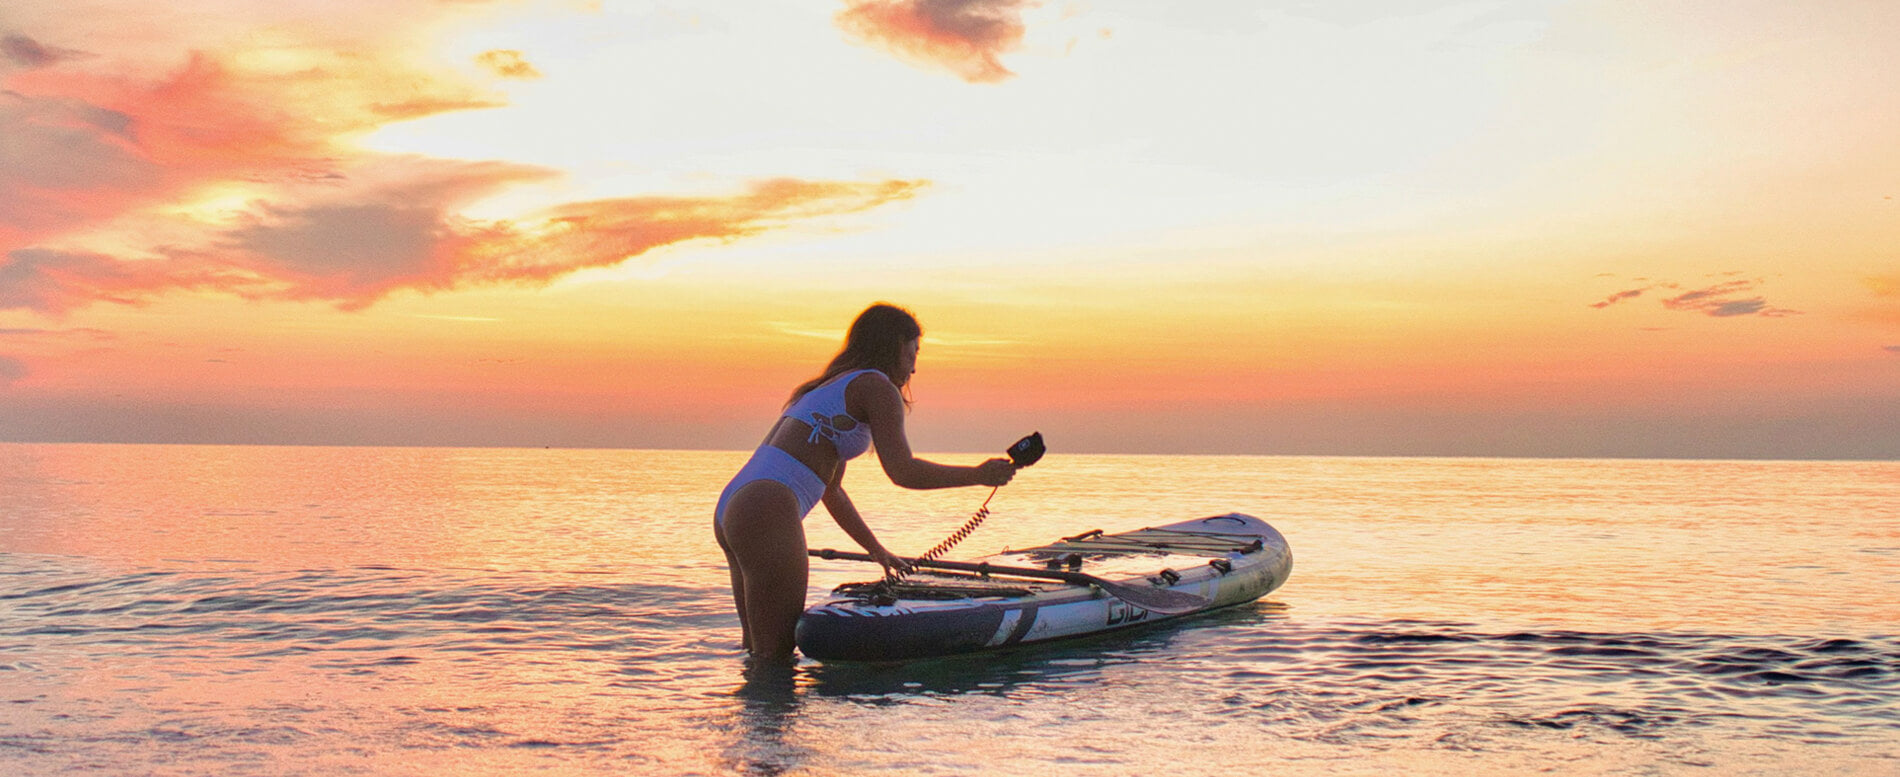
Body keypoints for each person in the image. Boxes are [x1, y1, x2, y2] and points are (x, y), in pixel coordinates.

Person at [714, 303, 1018, 661]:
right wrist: (979, 476)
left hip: (736, 506)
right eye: (912, 353)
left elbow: (832, 489)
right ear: (893, 347)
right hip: (767, 506)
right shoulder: (877, 387)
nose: (914, 367)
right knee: (776, 658)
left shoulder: (823, 388)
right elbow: (902, 471)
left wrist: (876, 549)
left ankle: (750, 719)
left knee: (757, 654)